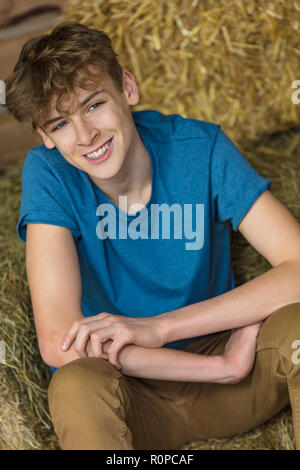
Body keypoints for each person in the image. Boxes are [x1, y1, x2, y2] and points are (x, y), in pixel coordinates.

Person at [3, 21, 300, 450]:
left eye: (93, 105)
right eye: (61, 123)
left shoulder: (201, 148)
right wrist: (220, 368)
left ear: (128, 88)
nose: (86, 136)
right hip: (132, 396)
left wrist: (159, 327)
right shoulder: (49, 174)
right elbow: (58, 342)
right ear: (45, 136)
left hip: (235, 377)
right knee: (75, 385)